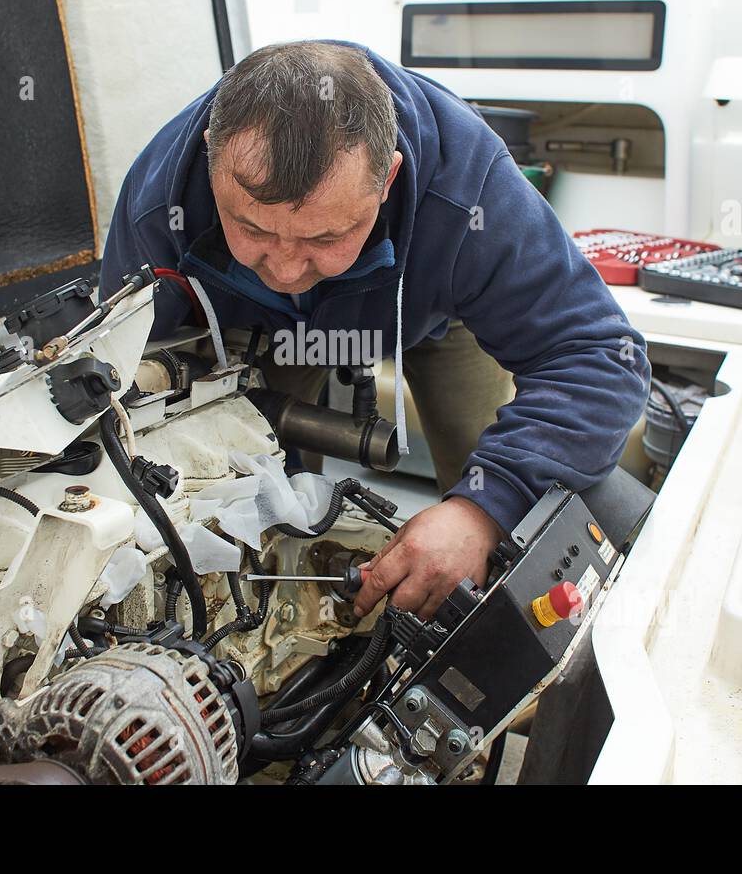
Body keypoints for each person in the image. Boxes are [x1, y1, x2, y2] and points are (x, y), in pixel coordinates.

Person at [99, 40, 650, 620]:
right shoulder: (159, 202)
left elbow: (599, 357)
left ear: (388, 177)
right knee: (256, 485)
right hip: (258, 331)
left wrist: (484, 508)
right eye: (252, 229)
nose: (287, 269)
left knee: (500, 496)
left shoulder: (468, 190)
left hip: (437, 314)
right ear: (212, 159)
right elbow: (121, 373)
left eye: (324, 238)